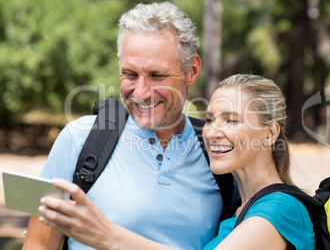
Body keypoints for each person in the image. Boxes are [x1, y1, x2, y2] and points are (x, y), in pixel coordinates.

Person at [22, 2, 233, 250]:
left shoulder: (218, 152)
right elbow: (38, 245)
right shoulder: (78, 138)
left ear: (192, 70)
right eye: (130, 74)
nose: (141, 93)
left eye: (157, 75)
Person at [38, 74, 315, 249]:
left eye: (231, 120)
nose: (212, 132)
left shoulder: (280, 209)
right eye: (209, 119)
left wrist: (108, 236)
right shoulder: (238, 207)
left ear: (270, 134)